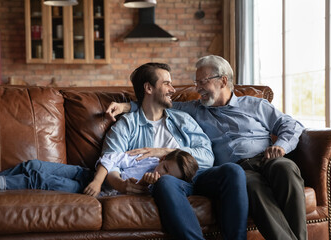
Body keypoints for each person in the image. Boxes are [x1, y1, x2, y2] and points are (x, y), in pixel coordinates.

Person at [107, 56, 306, 240]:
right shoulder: (192, 109)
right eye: (196, 82)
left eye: (202, 82)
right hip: (237, 170)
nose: (197, 88)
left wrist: (280, 146)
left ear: (223, 81)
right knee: (245, 179)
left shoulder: (254, 105)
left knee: (285, 168)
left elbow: (292, 126)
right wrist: (127, 107)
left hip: (266, 158)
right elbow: (154, 105)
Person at [102, 62, 248, 240]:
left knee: (233, 170)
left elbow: (207, 156)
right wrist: (121, 184)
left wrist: (162, 151)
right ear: (148, 88)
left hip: (197, 176)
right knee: (166, 181)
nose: (173, 89)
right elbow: (109, 162)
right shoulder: (127, 125)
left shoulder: (183, 119)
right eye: (167, 84)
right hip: (166, 184)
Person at [0, 149, 197, 196]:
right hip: (90, 175)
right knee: (33, 165)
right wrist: (100, 180)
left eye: (169, 176)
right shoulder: (148, 159)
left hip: (89, 192)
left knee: (39, 179)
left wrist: (151, 185)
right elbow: (112, 157)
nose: (162, 174)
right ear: (163, 159)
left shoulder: (157, 187)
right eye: (164, 168)